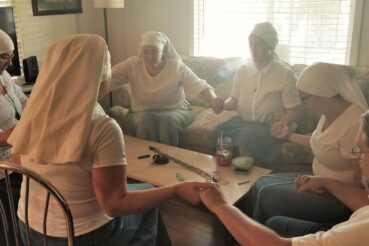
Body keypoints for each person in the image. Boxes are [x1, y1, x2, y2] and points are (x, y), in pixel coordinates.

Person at [7, 34, 213, 245]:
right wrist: (177, 189)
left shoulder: (34, 113)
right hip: (81, 236)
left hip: (29, 229)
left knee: (145, 190)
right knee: (148, 202)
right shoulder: (102, 127)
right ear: (100, 74)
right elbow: (115, 205)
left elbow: (16, 160)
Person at [199, 110, 369, 246]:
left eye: (362, 151)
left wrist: (219, 205)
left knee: (267, 196)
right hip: (330, 189)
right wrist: (327, 182)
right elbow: (364, 201)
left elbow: (277, 244)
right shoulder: (329, 117)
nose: (359, 158)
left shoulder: (363, 230)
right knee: (275, 221)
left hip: (341, 222)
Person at [238, 62, 369, 236]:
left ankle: (257, 237)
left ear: (325, 95)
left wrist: (326, 186)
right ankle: (247, 235)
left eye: (304, 97)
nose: (301, 103)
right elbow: (321, 143)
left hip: (339, 199)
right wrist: (287, 136)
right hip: (319, 182)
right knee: (260, 182)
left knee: (266, 195)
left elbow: (362, 186)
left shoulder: (354, 125)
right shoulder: (329, 113)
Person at [211, 22, 300, 163]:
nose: (253, 49)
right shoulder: (243, 70)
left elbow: (293, 109)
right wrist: (222, 105)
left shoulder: (285, 74)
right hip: (243, 122)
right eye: (250, 45)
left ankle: (245, 177)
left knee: (248, 138)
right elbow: (234, 100)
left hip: (268, 126)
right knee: (218, 131)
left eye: (258, 45)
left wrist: (281, 123)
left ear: (270, 46)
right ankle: (224, 174)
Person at [110, 31, 219, 146]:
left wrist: (214, 100)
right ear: (140, 51)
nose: (149, 57)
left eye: (154, 52)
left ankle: (166, 159)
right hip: (141, 112)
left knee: (167, 121)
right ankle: (145, 160)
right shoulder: (132, 64)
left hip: (176, 110)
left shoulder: (176, 66)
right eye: (145, 52)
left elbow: (199, 85)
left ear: (163, 52)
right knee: (144, 121)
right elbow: (109, 78)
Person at [0, 29, 27, 245]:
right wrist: (23, 130)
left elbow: (25, 102)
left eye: (11, 56)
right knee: (8, 224)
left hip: (19, 156)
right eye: (3, 56)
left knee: (23, 214)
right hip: (2, 170)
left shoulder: (5, 76)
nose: (9, 63)